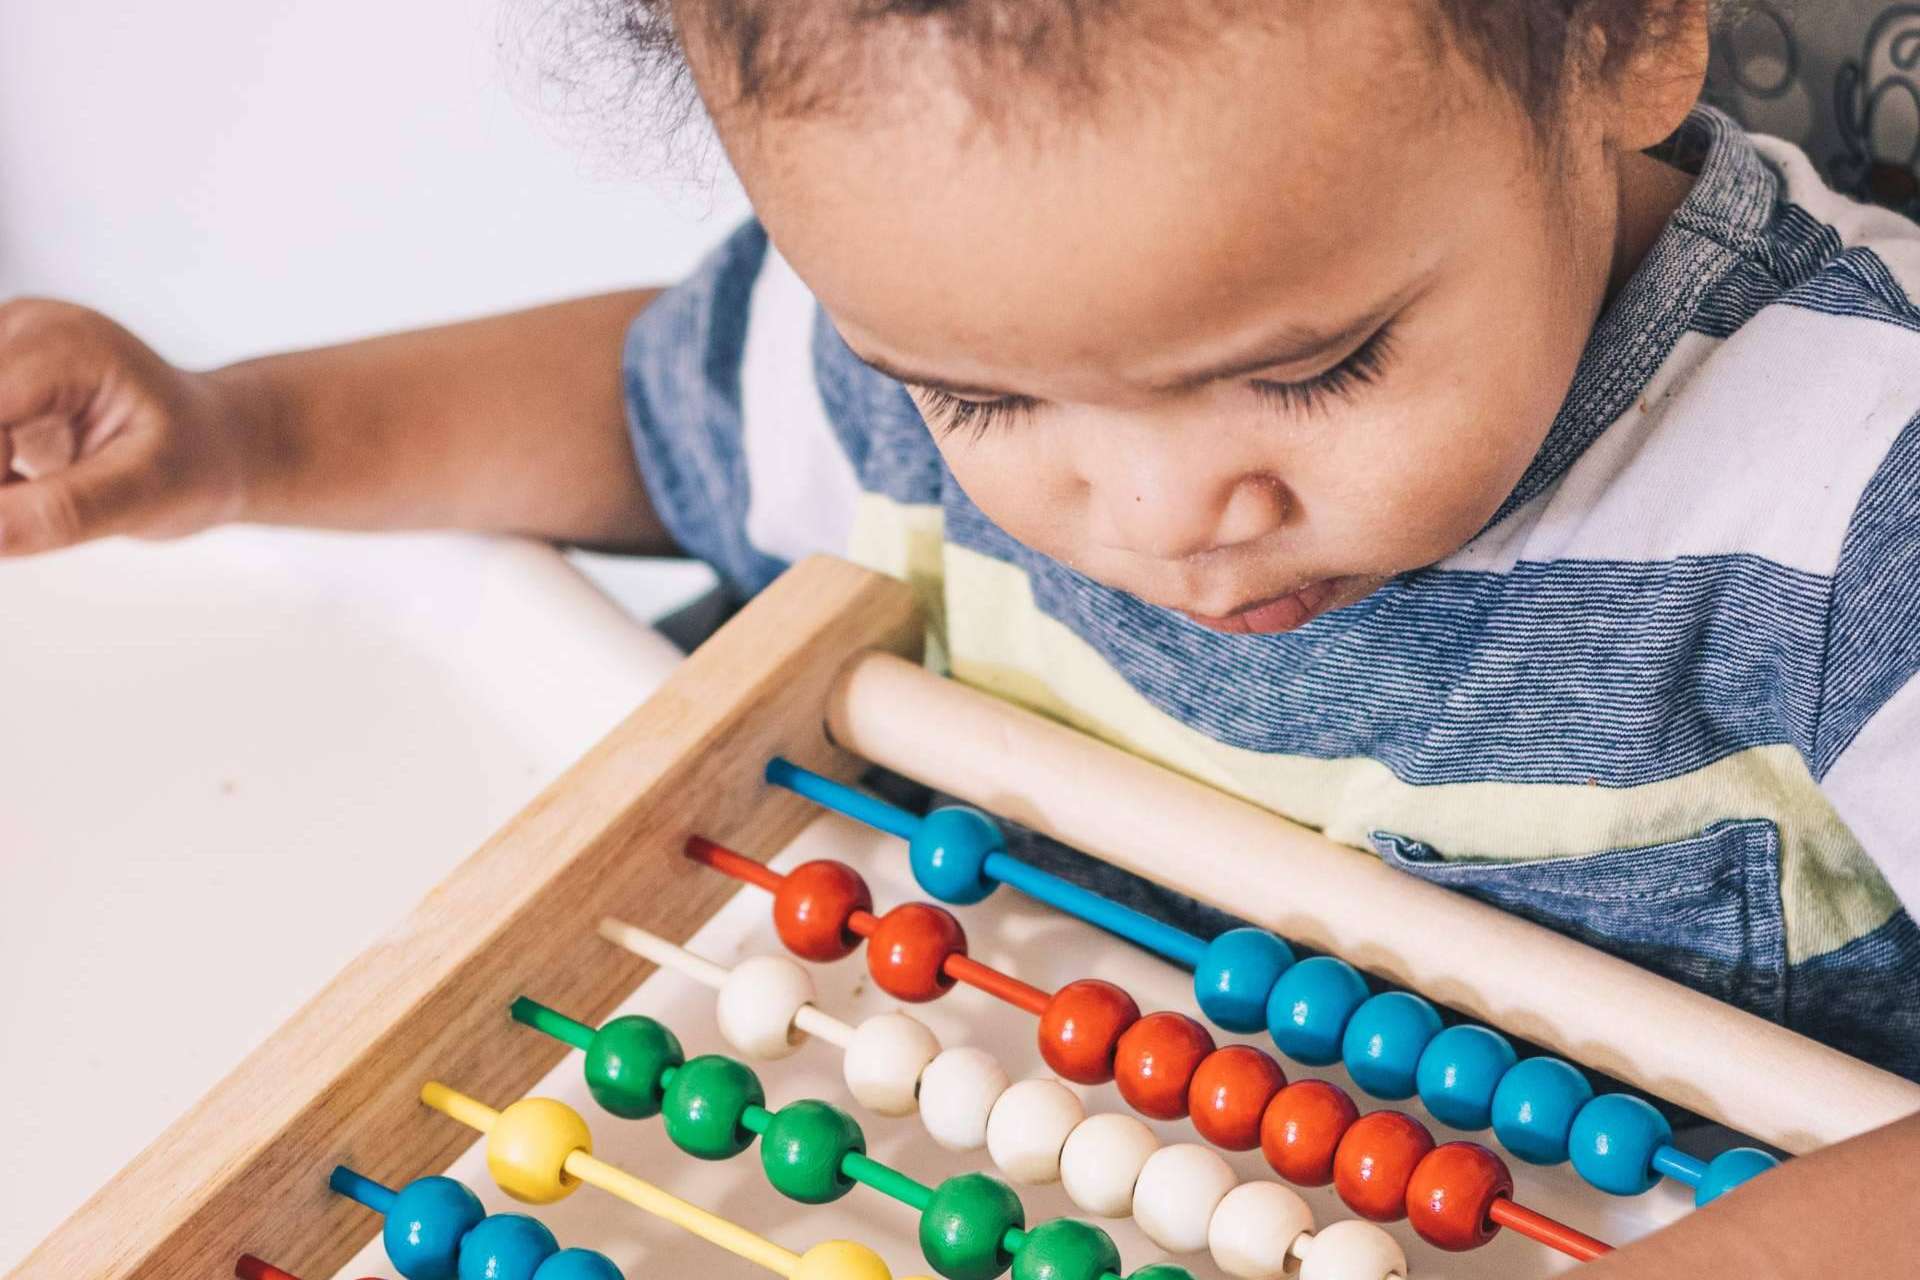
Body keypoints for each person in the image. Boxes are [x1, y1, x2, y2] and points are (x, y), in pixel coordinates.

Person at [2, 1, 1915, 1269]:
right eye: (984, 409)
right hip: (1040, 1157)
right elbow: (653, 420)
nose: (1163, 518)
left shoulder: (1852, 495)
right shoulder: (927, 319)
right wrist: (241, 437)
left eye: (1316, 369)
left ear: (1624, 31)